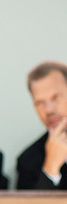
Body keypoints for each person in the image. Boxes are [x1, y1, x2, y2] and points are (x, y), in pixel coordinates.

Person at [16, 61, 67, 190]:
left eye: (55, 98)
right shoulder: (27, 161)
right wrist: (50, 169)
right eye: (40, 103)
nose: (48, 110)